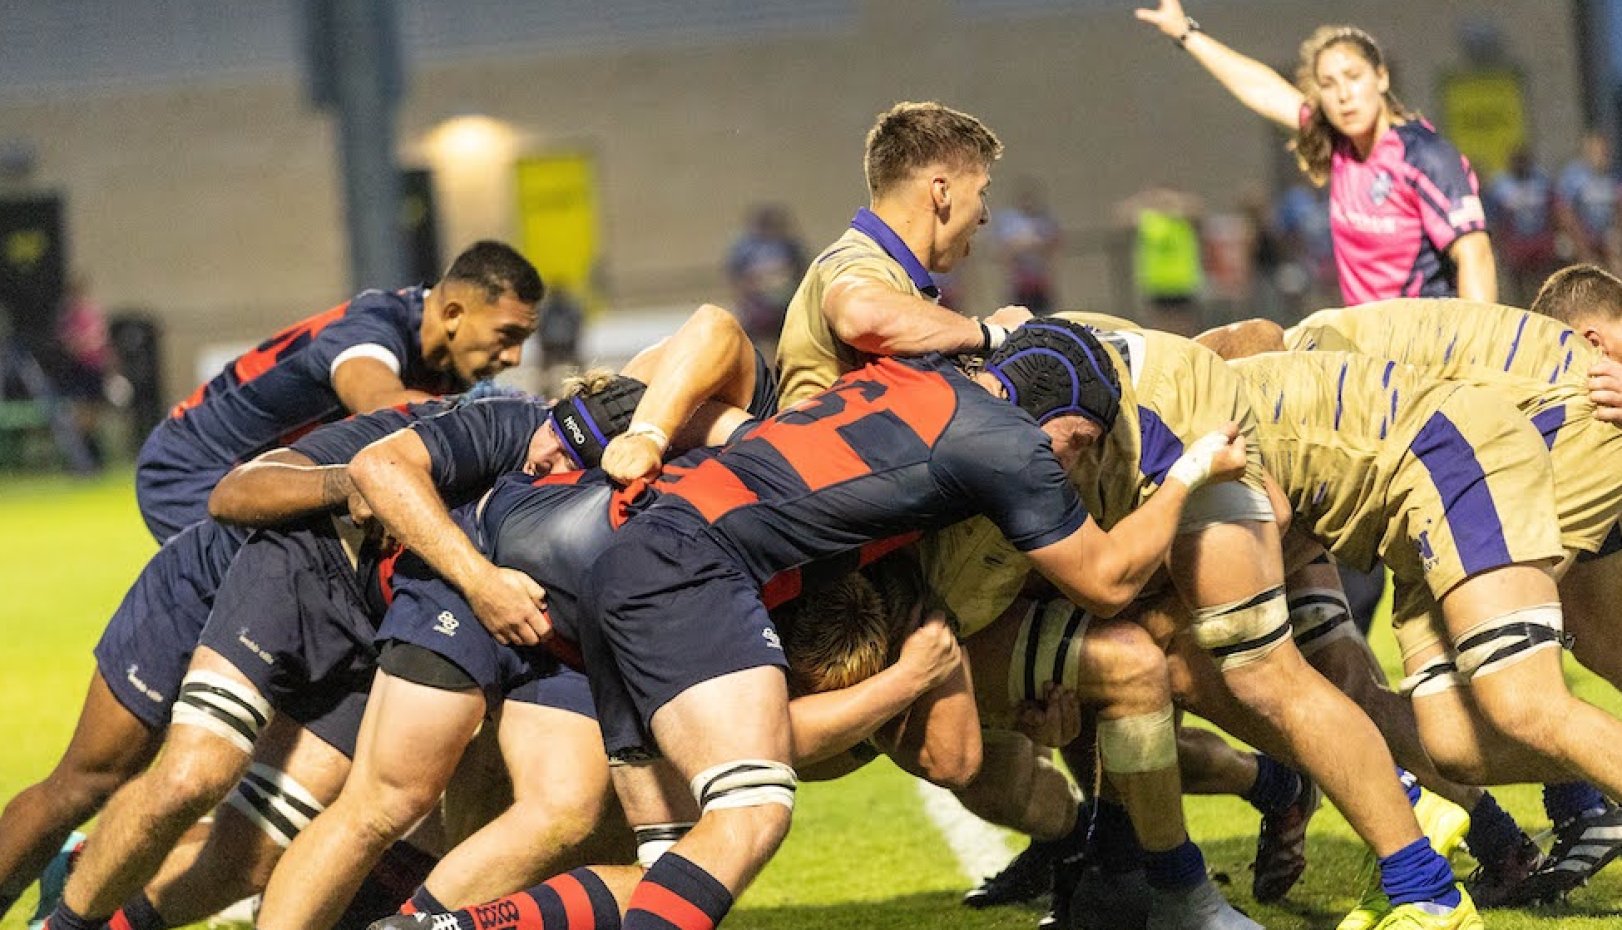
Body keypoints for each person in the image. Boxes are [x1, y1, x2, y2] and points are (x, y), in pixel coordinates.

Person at [562, 319, 1255, 930]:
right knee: (753, 809)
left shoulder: (911, 372)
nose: (1070, 466)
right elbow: (1107, 582)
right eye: (1079, 443)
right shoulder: (1010, 443)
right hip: (694, 567)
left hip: (629, 556)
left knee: (666, 861)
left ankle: (456, 922)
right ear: (1054, 418)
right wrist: (1190, 474)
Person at [134, 240, 542, 541]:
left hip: (267, 472)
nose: (514, 356)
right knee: (257, 597)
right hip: (193, 467)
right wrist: (501, 412)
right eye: (507, 335)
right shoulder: (373, 328)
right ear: (453, 313)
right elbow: (378, 403)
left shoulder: (446, 365)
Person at [1134, 3, 1495, 305]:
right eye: (1328, 84)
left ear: (1381, 78)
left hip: (1431, 345)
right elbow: (1262, 89)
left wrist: (1476, 362)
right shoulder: (1340, 145)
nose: (1343, 94)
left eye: (1353, 76)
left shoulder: (1425, 156)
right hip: (1373, 352)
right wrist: (1187, 34)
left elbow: (1475, 255)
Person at [775, 100, 1032, 408]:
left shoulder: (893, 273)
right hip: (819, 453)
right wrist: (995, 335)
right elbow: (862, 315)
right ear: (941, 191)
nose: (985, 215)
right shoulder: (857, 260)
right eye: (981, 193)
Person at [724, 205, 806, 354]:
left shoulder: (790, 246)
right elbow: (737, 278)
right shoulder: (746, 249)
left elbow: (801, 272)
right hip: (756, 310)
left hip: (784, 308)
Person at [1486, 147, 1559, 305]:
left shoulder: (1542, 181)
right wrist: (1498, 245)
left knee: (1541, 287)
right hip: (1514, 246)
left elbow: (1554, 211)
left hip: (1540, 243)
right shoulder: (1500, 186)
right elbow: (1495, 218)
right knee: (1516, 291)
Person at [992, 179, 1063, 315]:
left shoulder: (1044, 219)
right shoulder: (1010, 221)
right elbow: (1004, 249)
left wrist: (1033, 244)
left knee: (1044, 315)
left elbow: (1054, 244)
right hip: (1019, 280)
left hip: (1040, 278)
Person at [1555, 132, 1621, 272]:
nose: (1603, 156)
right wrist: (1582, 244)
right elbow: (1565, 212)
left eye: (1605, 152)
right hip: (1580, 235)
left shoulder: (1612, 175)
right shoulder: (1573, 177)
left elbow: (1618, 206)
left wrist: (1616, 232)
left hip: (1607, 236)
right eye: (1599, 151)